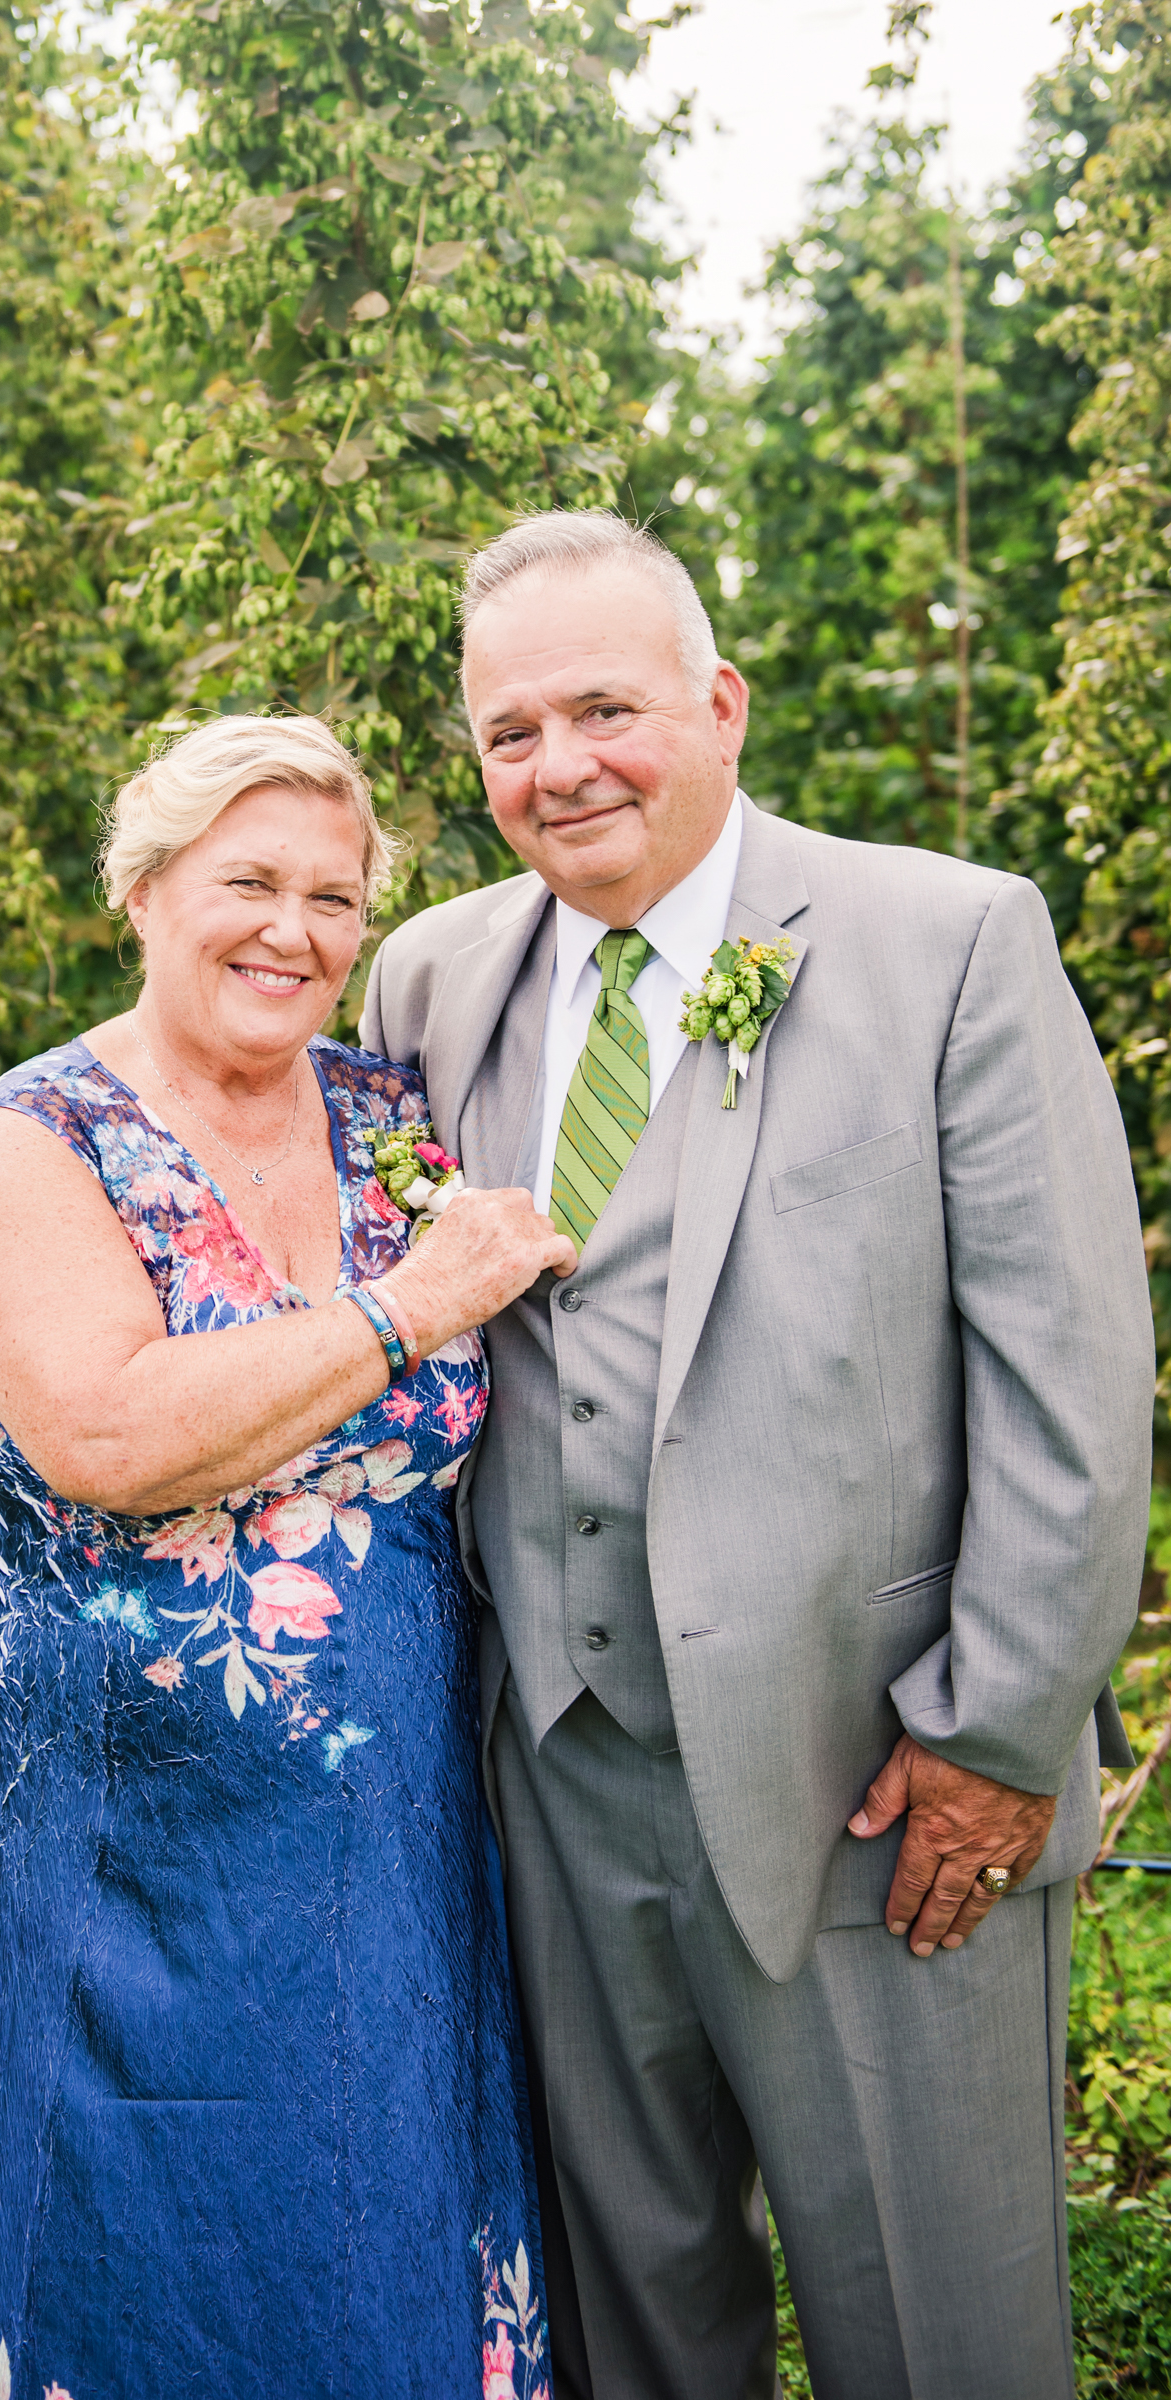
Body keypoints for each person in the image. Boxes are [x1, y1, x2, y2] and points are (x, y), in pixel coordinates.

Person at [360, 510, 1154, 2400]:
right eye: (508, 734)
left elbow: (1070, 1377)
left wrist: (992, 1736)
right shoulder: (427, 981)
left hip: (876, 1786)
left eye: (604, 710)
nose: (560, 769)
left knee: (937, 2332)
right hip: (549, 1779)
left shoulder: (947, 940)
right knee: (630, 2316)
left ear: (718, 705)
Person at [0, 714, 575, 2400]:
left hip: (386, 1809)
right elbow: (111, 1437)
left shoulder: (383, 1112)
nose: (294, 931)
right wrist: (408, 1306)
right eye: (248, 882)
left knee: (378, 2184)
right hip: (128, 1820)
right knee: (146, 2211)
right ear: (141, 890)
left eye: (335, 901)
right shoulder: (36, 1140)